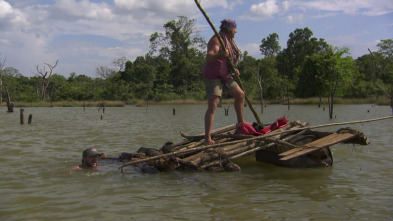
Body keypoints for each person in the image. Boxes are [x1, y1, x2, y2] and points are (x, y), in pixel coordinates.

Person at [203, 19, 245, 145]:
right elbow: (209, 57)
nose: (236, 31)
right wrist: (220, 55)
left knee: (240, 95)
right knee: (214, 103)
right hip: (213, 76)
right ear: (229, 29)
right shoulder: (216, 40)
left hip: (225, 75)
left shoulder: (229, 42)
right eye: (235, 29)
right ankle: (207, 139)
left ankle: (240, 127)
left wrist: (234, 69)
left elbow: (228, 61)